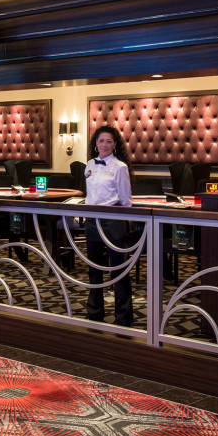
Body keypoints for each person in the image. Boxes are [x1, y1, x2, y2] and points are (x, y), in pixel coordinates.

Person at [84, 125, 134, 327]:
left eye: (109, 141)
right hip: (91, 221)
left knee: (119, 271)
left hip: (113, 221)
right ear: (95, 143)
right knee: (94, 269)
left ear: (115, 145)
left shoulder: (120, 167)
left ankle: (123, 317)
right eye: (101, 140)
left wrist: (120, 221)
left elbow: (126, 200)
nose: (104, 145)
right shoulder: (88, 165)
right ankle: (94, 312)